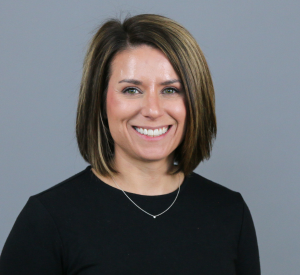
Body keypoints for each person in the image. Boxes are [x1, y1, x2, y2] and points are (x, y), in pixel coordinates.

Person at [0, 14, 260, 274]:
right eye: (131, 90)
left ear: (195, 101)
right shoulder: (47, 219)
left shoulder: (229, 212)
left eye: (170, 90)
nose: (152, 110)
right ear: (100, 101)